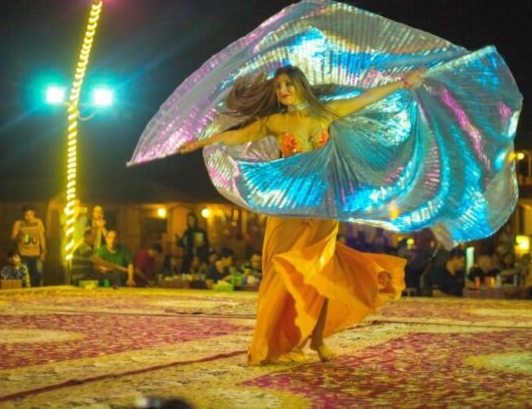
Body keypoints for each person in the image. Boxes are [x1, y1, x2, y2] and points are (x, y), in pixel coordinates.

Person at [179, 66, 418, 363]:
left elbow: (367, 97)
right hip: (288, 209)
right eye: (279, 86)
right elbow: (239, 135)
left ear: (301, 86)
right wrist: (202, 142)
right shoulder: (276, 121)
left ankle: (317, 341)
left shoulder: (325, 113)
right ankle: (270, 343)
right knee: (279, 270)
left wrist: (404, 82)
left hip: (322, 208)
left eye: (288, 85)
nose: (283, 91)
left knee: (322, 275)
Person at [10, 205, 46, 287]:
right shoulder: (18, 223)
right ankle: (26, 289)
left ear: (33, 214)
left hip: (36, 253)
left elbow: (42, 237)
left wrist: (43, 251)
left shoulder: (38, 222)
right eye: (26, 215)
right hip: (23, 253)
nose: (27, 217)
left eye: (30, 215)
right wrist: (17, 235)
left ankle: (39, 289)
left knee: (38, 272)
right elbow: (12, 237)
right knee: (24, 273)